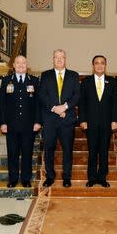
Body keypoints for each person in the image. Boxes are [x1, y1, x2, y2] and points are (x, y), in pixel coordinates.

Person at [39, 49, 80, 188]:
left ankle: (66, 177)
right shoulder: (45, 75)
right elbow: (42, 95)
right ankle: (50, 176)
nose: (59, 60)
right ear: (53, 59)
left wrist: (65, 107)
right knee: (49, 149)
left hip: (67, 119)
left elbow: (76, 95)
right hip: (50, 119)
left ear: (65, 59)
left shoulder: (73, 75)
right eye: (56, 57)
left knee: (67, 149)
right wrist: (55, 108)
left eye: (62, 57)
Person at [0, 56, 41, 188]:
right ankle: (13, 179)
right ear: (14, 65)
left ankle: (25, 179)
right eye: (18, 63)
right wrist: (3, 122)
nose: (21, 65)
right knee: (12, 154)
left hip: (29, 125)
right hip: (11, 125)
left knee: (27, 154)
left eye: (23, 63)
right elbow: (2, 103)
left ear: (27, 65)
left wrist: (37, 121)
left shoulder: (33, 81)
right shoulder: (6, 80)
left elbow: (38, 104)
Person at [79, 55, 117, 187]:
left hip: (107, 123)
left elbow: (115, 103)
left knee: (103, 151)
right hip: (90, 123)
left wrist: (115, 120)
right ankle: (91, 178)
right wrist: (82, 120)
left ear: (105, 65)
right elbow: (82, 103)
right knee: (92, 151)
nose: (100, 65)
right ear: (93, 66)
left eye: (102, 63)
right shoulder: (86, 82)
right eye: (97, 63)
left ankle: (102, 177)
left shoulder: (112, 82)